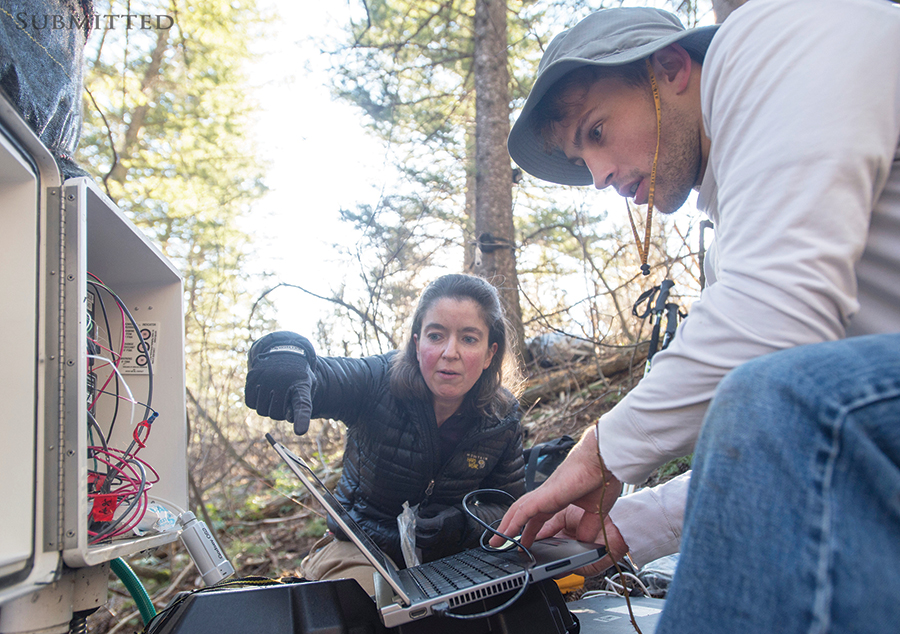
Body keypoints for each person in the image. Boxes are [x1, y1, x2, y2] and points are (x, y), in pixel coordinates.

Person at [489, 1, 900, 631]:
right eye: (580, 160)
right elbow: (792, 442)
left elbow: (780, 343)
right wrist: (628, 522)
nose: (598, 176)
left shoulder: (782, 35)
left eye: (596, 132)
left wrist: (602, 449)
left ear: (673, 68)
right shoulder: (741, 226)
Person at [244, 273, 525, 595]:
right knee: (372, 609)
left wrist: (462, 524)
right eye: (436, 336)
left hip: (453, 559)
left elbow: (508, 506)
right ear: (417, 343)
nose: (450, 352)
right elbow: (320, 374)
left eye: (469, 339)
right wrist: (283, 353)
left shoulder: (502, 416)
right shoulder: (377, 380)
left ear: (491, 353)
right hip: (361, 551)